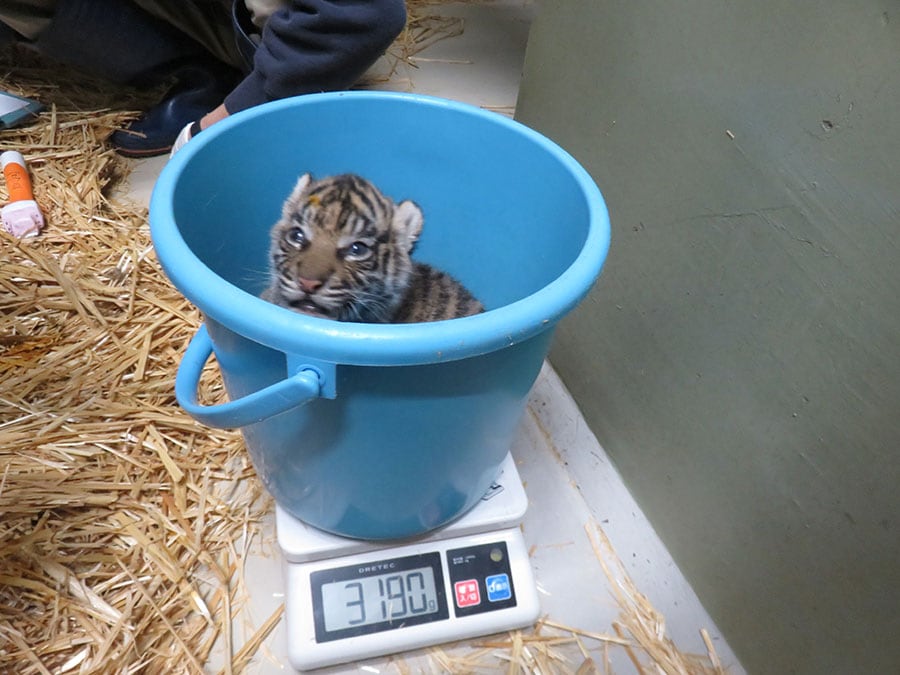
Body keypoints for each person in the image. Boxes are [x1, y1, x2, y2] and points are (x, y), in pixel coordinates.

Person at [0, 1, 407, 156]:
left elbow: (363, 15)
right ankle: (192, 68)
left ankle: (248, 74)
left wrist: (214, 127)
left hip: (271, 30)